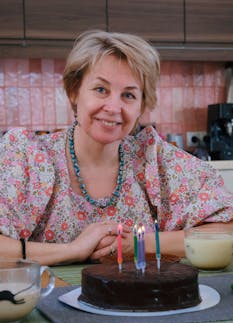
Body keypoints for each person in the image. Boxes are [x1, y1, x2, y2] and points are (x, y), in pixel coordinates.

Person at [0, 30, 232, 266]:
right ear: (74, 91)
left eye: (129, 95)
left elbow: (227, 230)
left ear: (141, 106)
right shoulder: (27, 157)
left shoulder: (155, 160)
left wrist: (139, 244)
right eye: (101, 89)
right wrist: (73, 250)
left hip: (143, 301)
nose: (113, 107)